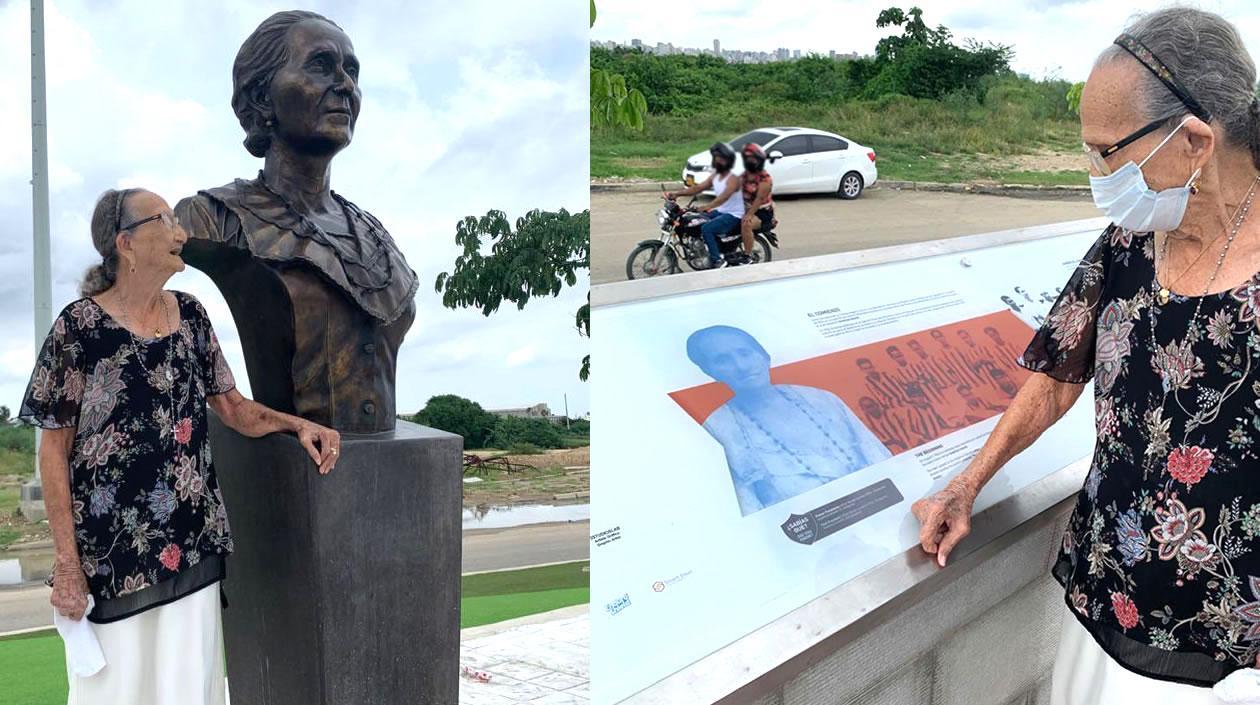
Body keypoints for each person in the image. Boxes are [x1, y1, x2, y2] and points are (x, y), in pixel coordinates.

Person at [910, 8, 1260, 704]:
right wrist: (966, 483)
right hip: (1107, 590)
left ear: (1193, 141)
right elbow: (1054, 378)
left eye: (1106, 152)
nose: (1096, 173)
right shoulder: (1130, 241)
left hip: (1229, 643)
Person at [22, 188, 342, 704]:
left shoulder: (190, 315)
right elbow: (52, 450)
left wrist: (296, 425)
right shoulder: (77, 329)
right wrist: (66, 564)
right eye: (165, 220)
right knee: (114, 692)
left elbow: (233, 406)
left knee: (190, 688)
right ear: (126, 243)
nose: (181, 233)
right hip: (110, 557)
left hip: (191, 542)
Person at [176, 10, 419, 434]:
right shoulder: (209, 218)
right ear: (261, 97)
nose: (345, 86)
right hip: (292, 465)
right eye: (321, 65)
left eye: (352, 71)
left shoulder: (374, 235)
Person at [686, 325, 891, 515]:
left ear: (764, 356)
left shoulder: (820, 398)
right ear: (710, 372)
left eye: (745, 353)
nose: (741, 366)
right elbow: (748, 508)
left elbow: (879, 457)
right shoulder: (719, 428)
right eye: (723, 360)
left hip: (878, 505)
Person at [665, 142, 745, 269]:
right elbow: (698, 188)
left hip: (734, 214)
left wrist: (707, 206)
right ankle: (702, 249)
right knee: (696, 219)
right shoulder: (716, 175)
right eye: (716, 157)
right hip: (721, 211)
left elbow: (723, 197)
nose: (717, 160)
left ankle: (718, 260)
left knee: (707, 228)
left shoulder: (733, 178)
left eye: (720, 158)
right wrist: (677, 194)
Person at [739, 142, 775, 261]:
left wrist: (749, 215)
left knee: (746, 224)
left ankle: (748, 255)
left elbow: (759, 199)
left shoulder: (765, 178)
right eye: (748, 158)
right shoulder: (745, 175)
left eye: (753, 159)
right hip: (746, 209)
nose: (751, 161)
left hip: (761, 213)